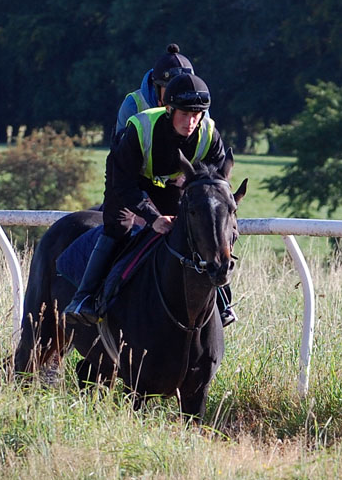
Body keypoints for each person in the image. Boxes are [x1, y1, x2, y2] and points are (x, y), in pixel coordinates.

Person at [65, 73, 238, 327]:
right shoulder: (140, 127)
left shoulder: (210, 134)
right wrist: (153, 218)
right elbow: (123, 184)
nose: (191, 122)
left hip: (169, 183)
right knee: (121, 228)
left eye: (197, 115)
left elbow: (215, 186)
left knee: (192, 228)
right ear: (169, 109)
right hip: (127, 181)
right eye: (184, 114)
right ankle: (85, 298)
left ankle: (222, 299)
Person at [115, 44, 197, 134]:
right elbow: (120, 146)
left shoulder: (198, 106)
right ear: (156, 88)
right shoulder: (133, 105)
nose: (177, 96)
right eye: (170, 89)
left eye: (184, 91)